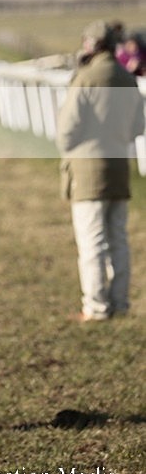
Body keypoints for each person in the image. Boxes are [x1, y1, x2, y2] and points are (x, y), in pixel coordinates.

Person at [56, 20, 145, 322]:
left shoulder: (85, 77)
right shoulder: (127, 78)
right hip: (119, 168)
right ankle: (120, 302)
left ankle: (95, 306)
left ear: (90, 44)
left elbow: (67, 131)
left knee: (92, 242)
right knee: (118, 238)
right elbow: (138, 126)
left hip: (87, 172)